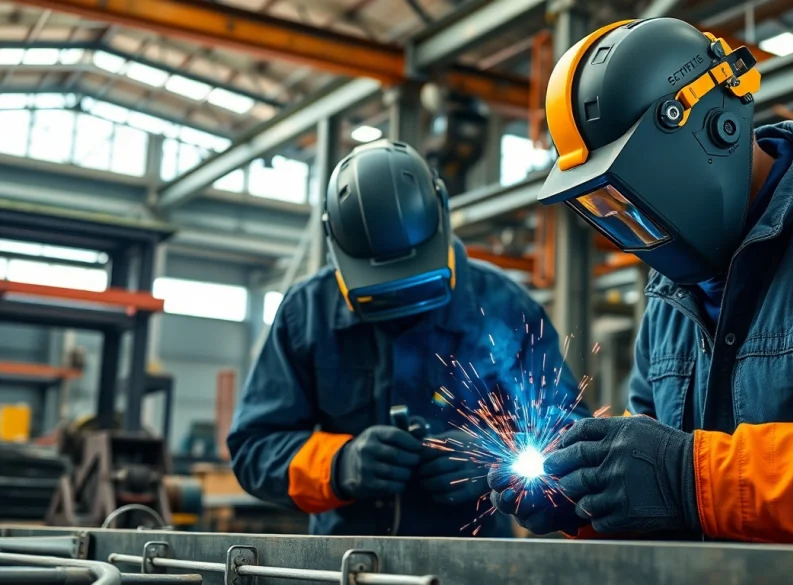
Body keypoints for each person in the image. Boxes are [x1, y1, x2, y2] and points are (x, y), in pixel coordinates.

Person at [489, 17, 793, 548]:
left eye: (630, 193)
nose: (634, 226)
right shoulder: (669, 301)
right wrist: (585, 505)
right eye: (605, 207)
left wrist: (689, 479)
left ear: (715, 128)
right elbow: (659, 498)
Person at [229, 140, 579, 537]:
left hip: (474, 567)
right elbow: (253, 450)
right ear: (335, 243)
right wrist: (338, 465)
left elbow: (570, 436)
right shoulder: (307, 313)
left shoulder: (505, 306)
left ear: (442, 214)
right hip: (346, 564)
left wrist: (495, 462)